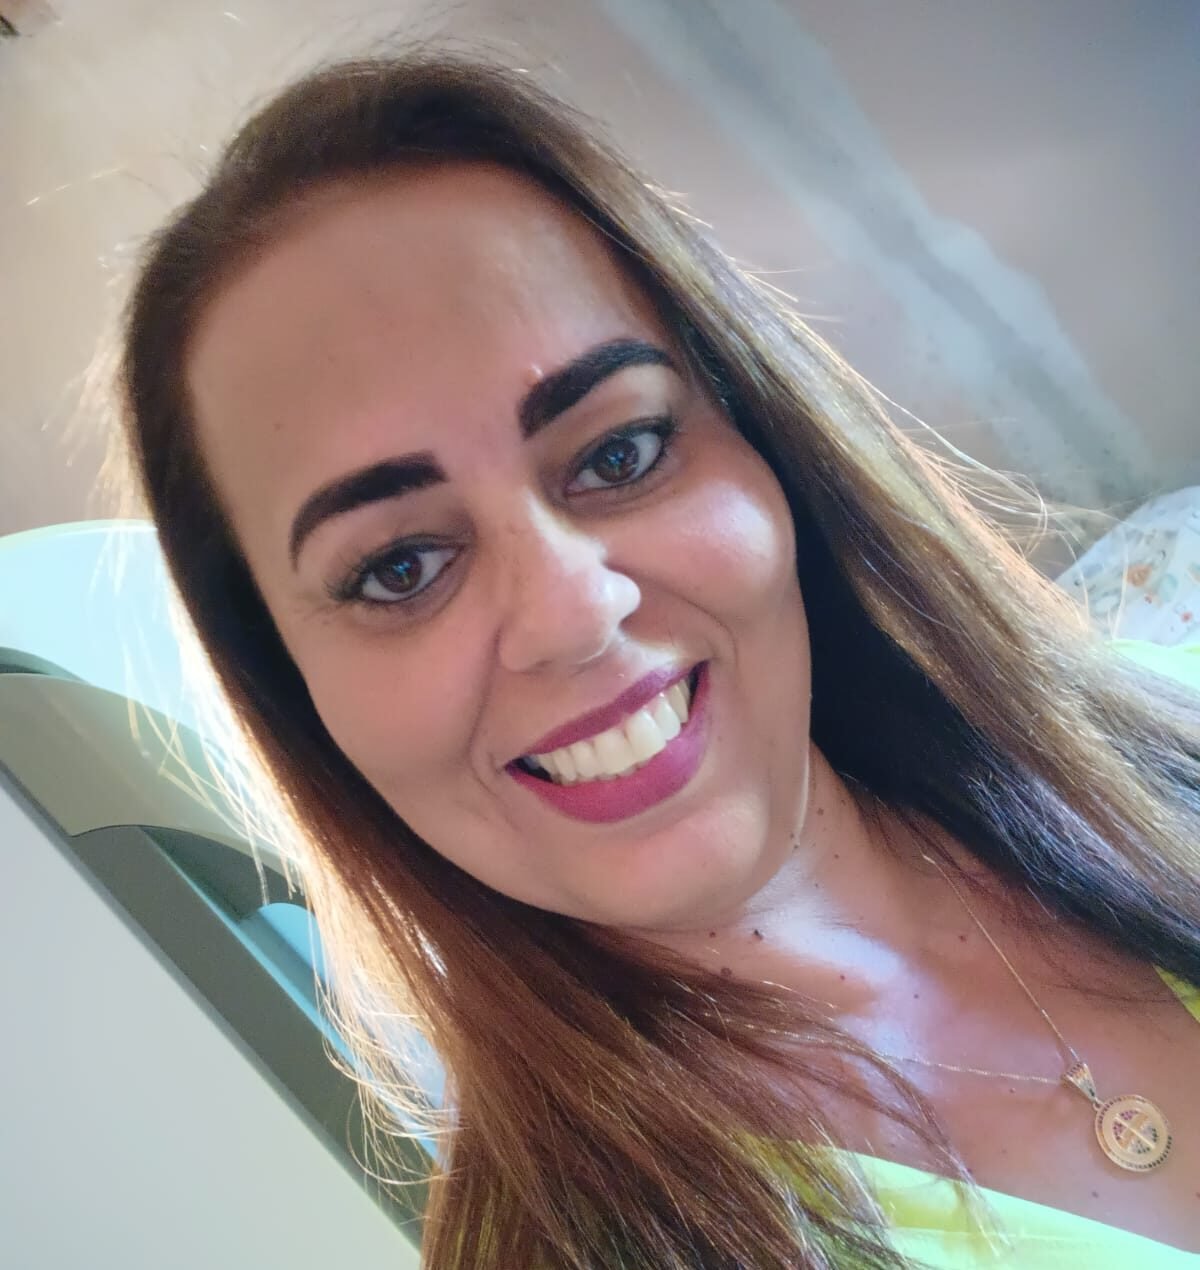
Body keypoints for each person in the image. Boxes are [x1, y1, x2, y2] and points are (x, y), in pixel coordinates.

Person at [117, 53, 1200, 1268]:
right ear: (295, 691)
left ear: (767, 446)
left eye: (618, 452)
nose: (572, 614)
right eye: (400, 567)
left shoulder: (1158, 739)